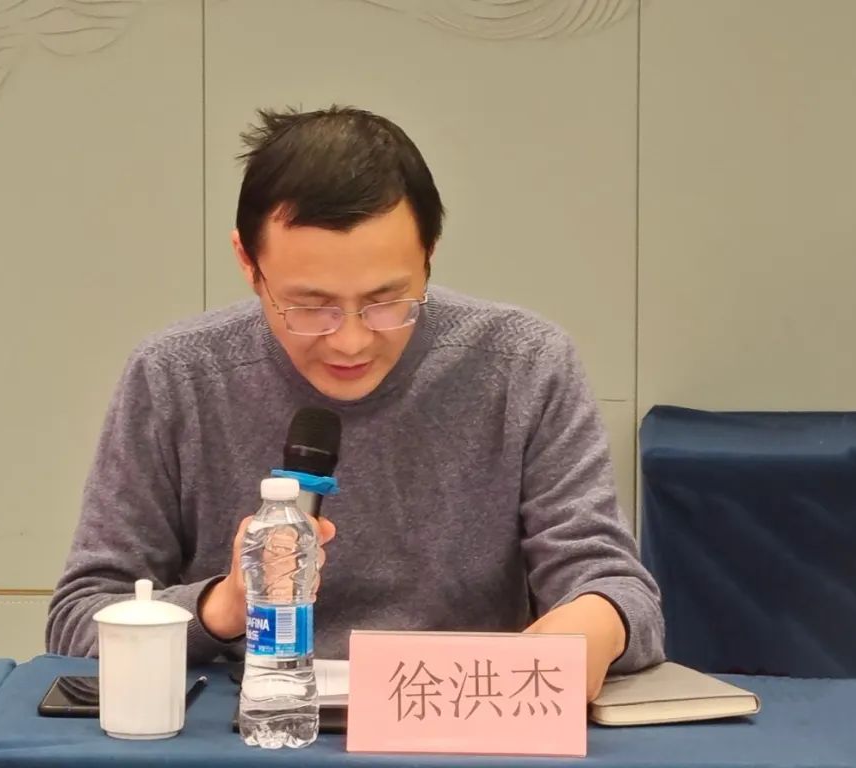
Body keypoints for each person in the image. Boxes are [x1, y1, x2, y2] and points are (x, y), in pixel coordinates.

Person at [46, 105, 665, 701]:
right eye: (310, 306)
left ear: (429, 254)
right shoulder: (177, 376)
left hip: (454, 721)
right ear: (248, 263)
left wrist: (591, 625)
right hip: (251, 723)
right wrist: (225, 605)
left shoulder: (523, 365)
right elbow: (80, 617)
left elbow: (617, 590)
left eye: (386, 301)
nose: (351, 341)